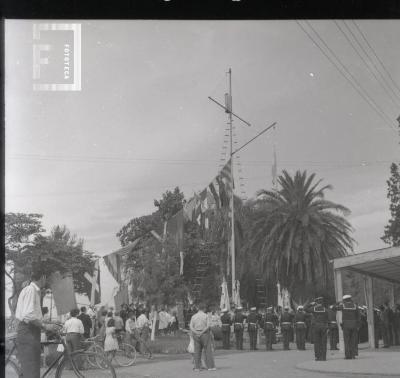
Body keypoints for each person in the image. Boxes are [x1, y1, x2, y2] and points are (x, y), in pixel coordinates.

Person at [15, 271, 59, 378]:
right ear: (42, 277)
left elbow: (33, 316)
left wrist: (48, 323)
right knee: (31, 368)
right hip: (28, 330)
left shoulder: (33, 290)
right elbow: (29, 315)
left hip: (30, 330)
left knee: (29, 367)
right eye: (46, 278)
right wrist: (45, 326)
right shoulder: (31, 290)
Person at [189, 303, 216, 371]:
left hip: (196, 334)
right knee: (207, 350)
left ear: (198, 308)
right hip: (204, 334)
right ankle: (210, 367)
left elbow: (191, 326)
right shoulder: (206, 316)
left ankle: (197, 367)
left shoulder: (193, 316)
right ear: (204, 308)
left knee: (197, 351)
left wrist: (196, 332)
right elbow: (208, 326)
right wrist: (202, 332)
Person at [334, 294, 361, 359]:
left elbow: (333, 308)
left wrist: (338, 303)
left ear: (344, 300)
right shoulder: (355, 306)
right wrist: (358, 325)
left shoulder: (343, 306)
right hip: (354, 325)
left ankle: (348, 356)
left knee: (347, 340)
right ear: (350, 299)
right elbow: (359, 317)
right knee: (354, 340)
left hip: (346, 325)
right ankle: (353, 355)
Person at [305, 297, 329, 361]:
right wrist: (327, 327)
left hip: (316, 327)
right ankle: (324, 357)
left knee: (317, 342)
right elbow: (328, 319)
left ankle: (318, 357)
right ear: (322, 302)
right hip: (324, 326)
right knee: (324, 342)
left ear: (316, 302)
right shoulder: (325, 310)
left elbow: (305, 309)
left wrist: (311, 304)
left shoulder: (314, 309)